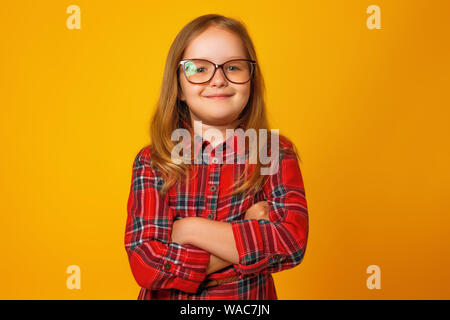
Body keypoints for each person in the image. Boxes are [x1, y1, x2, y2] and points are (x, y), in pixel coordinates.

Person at [124, 14, 309, 300]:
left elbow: (289, 244)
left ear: (252, 80)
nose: (218, 80)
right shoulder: (154, 161)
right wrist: (245, 233)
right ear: (179, 87)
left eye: (233, 67)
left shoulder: (273, 153)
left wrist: (188, 229)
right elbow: (147, 265)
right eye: (199, 69)